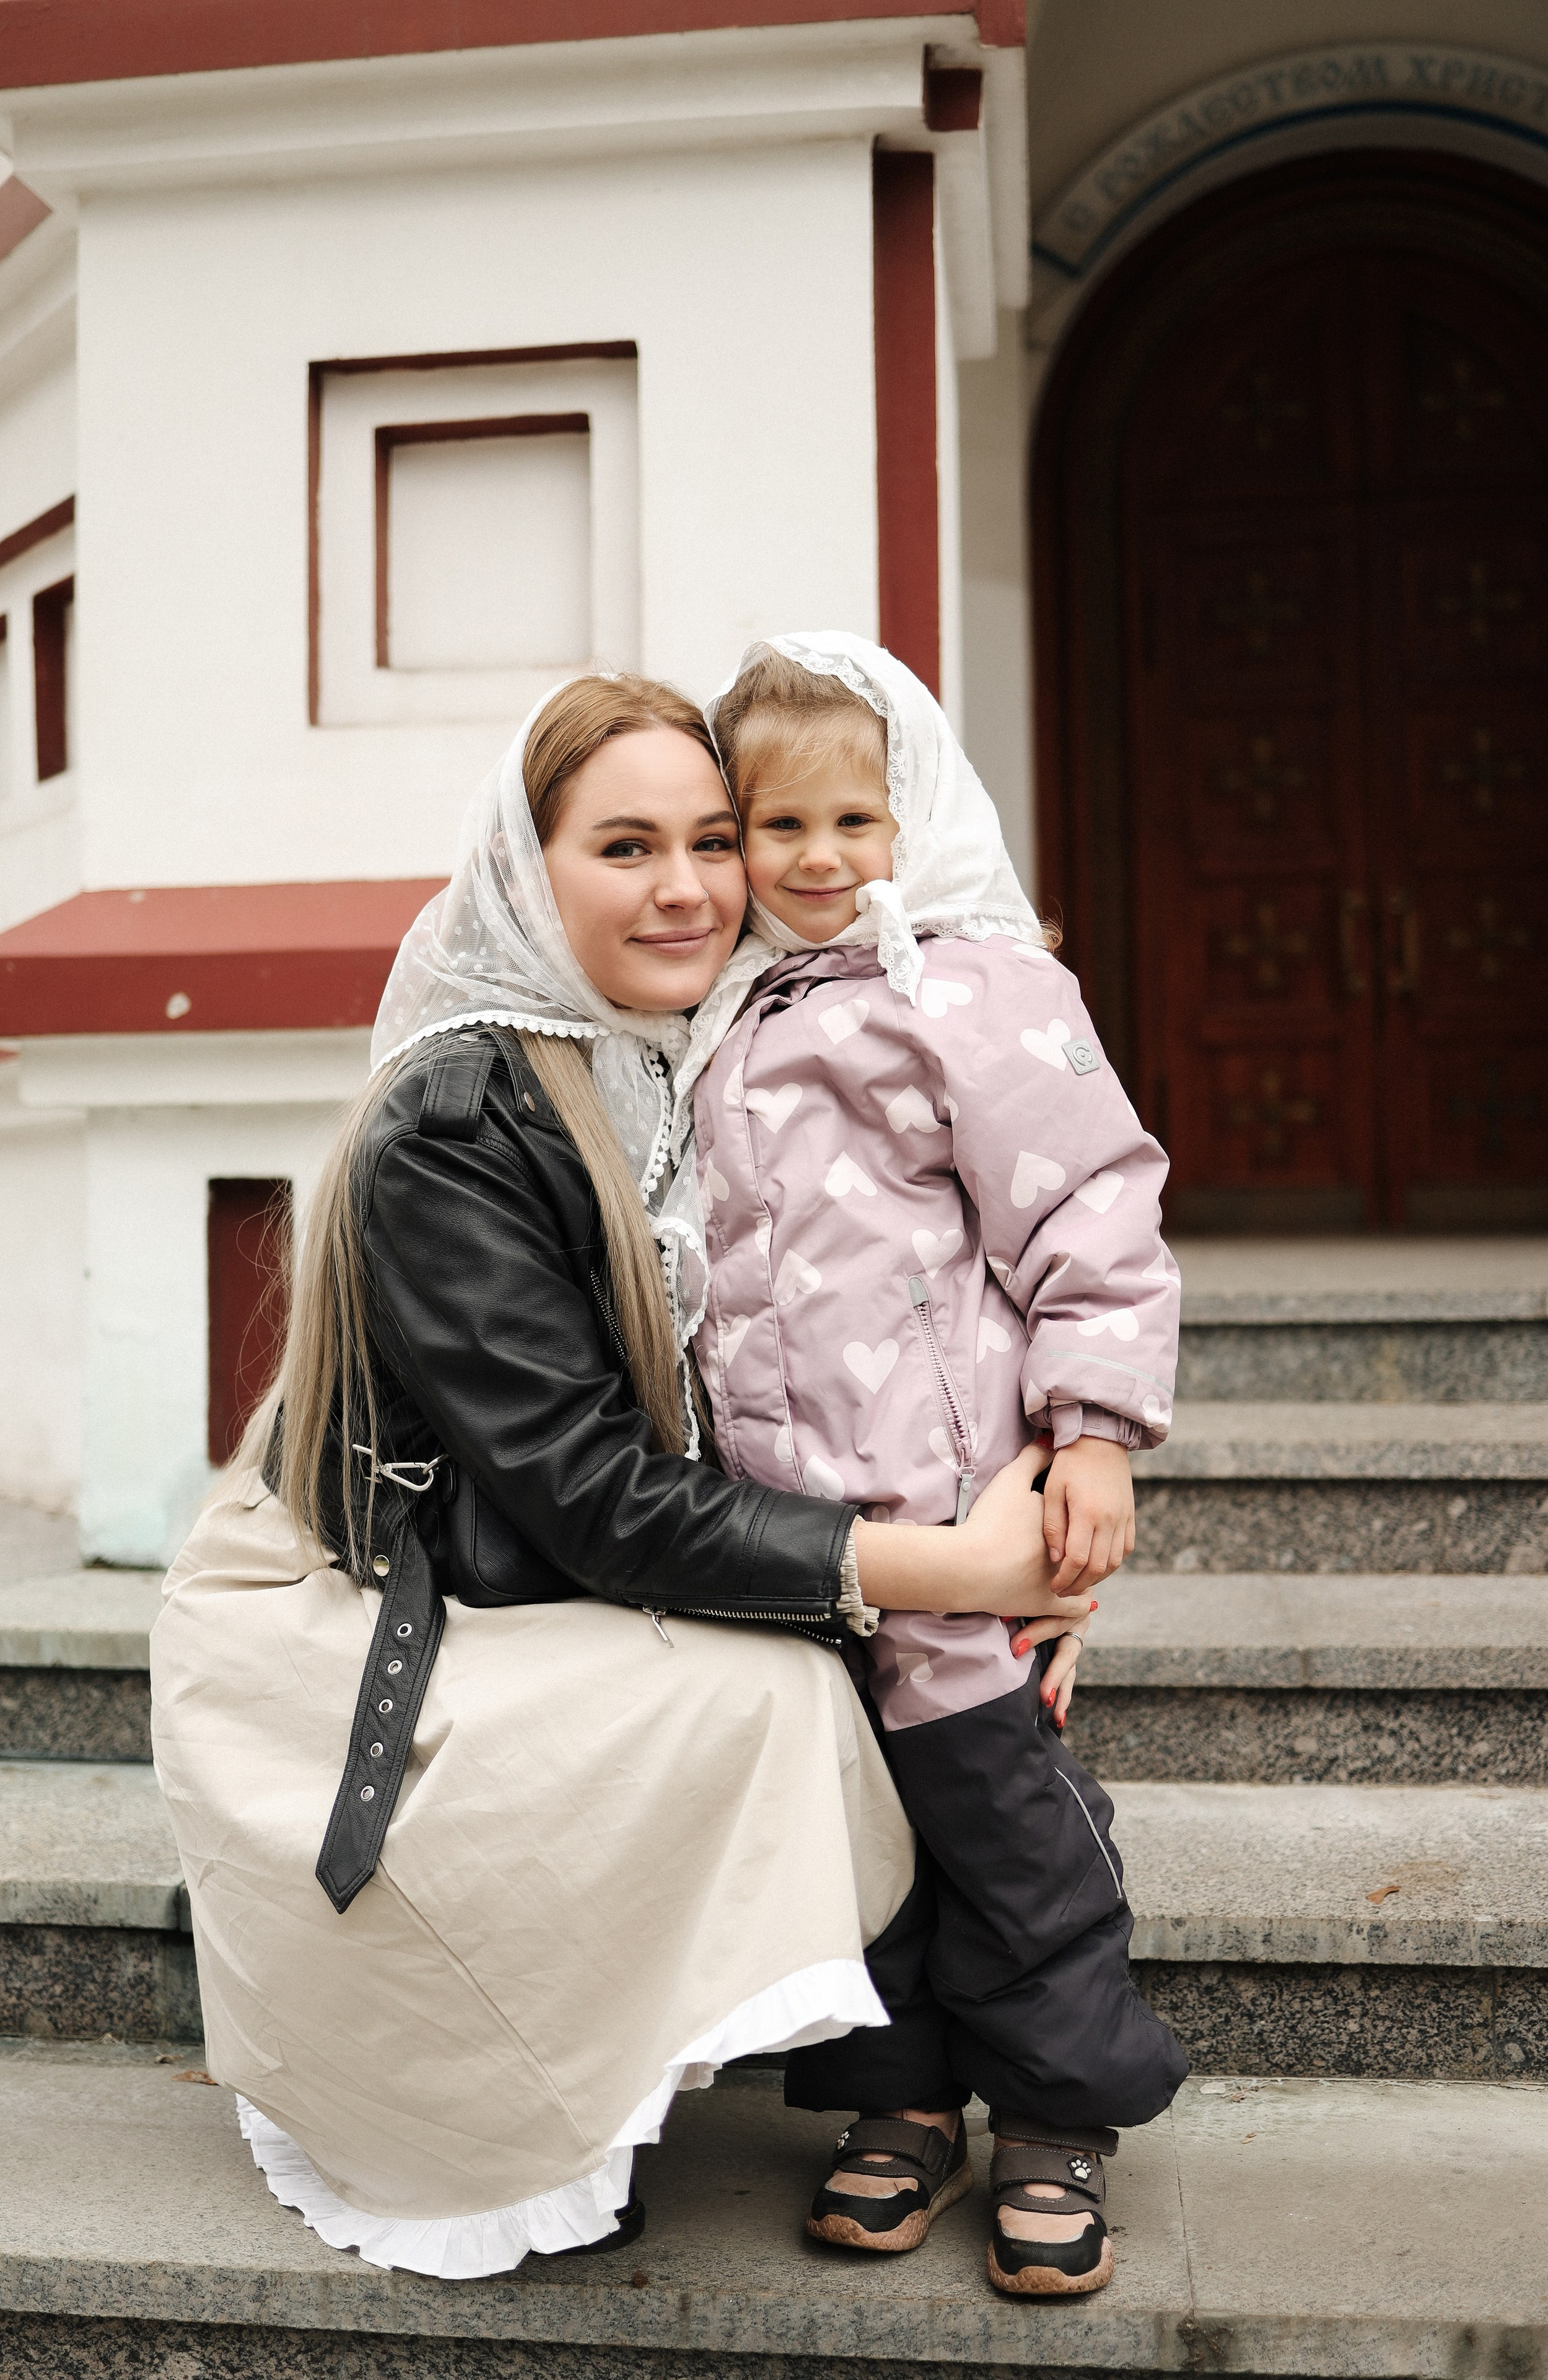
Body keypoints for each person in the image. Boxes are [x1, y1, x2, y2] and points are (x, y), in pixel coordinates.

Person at [151, 670, 1066, 2279]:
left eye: (714, 839)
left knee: (931, 1669)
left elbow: (903, 1322)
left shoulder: (725, 1056)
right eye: (626, 846)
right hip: (407, 1597)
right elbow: (585, 1496)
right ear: (529, 869)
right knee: (785, 1691)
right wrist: (962, 1568)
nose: (689, 887)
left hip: (568, 1564)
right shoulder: (457, 1120)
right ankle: (545, 2074)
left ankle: (1025, 2095)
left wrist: (1051, 1517)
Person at [693, 633, 1189, 2299]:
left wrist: (1093, 1437)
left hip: (959, 1515)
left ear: (917, 815)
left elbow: (1092, 1211)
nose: (818, 858)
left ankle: (1054, 2113)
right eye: (779, 826)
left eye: (856, 819)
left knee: (1005, 1831)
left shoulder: (977, 989)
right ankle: (899, 2098)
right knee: (850, 1839)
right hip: (792, 1537)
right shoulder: (720, 1017)